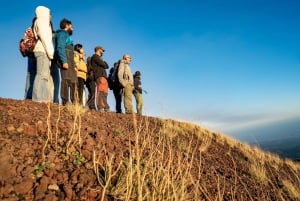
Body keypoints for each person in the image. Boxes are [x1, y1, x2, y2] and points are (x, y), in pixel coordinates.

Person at [32, 6, 54, 102]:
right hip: (42, 50)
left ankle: (44, 99)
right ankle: (38, 99)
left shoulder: (41, 21)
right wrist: (51, 52)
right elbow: (45, 38)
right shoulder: (42, 21)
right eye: (49, 13)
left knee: (44, 76)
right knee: (42, 75)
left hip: (42, 50)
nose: (51, 15)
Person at [53, 18, 77, 106]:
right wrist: (64, 61)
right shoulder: (62, 34)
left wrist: (74, 64)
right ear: (66, 25)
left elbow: (71, 52)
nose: (73, 28)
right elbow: (60, 48)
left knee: (74, 81)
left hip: (71, 61)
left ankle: (75, 102)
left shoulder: (67, 36)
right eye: (71, 26)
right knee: (66, 80)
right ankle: (65, 102)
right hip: (66, 60)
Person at [91, 46, 110, 112]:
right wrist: (103, 63)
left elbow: (107, 66)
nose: (103, 51)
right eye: (102, 50)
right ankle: (100, 106)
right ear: (98, 49)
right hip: (99, 76)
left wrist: (104, 63)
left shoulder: (99, 58)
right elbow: (104, 65)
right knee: (101, 91)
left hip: (103, 76)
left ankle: (105, 107)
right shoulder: (95, 57)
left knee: (105, 92)